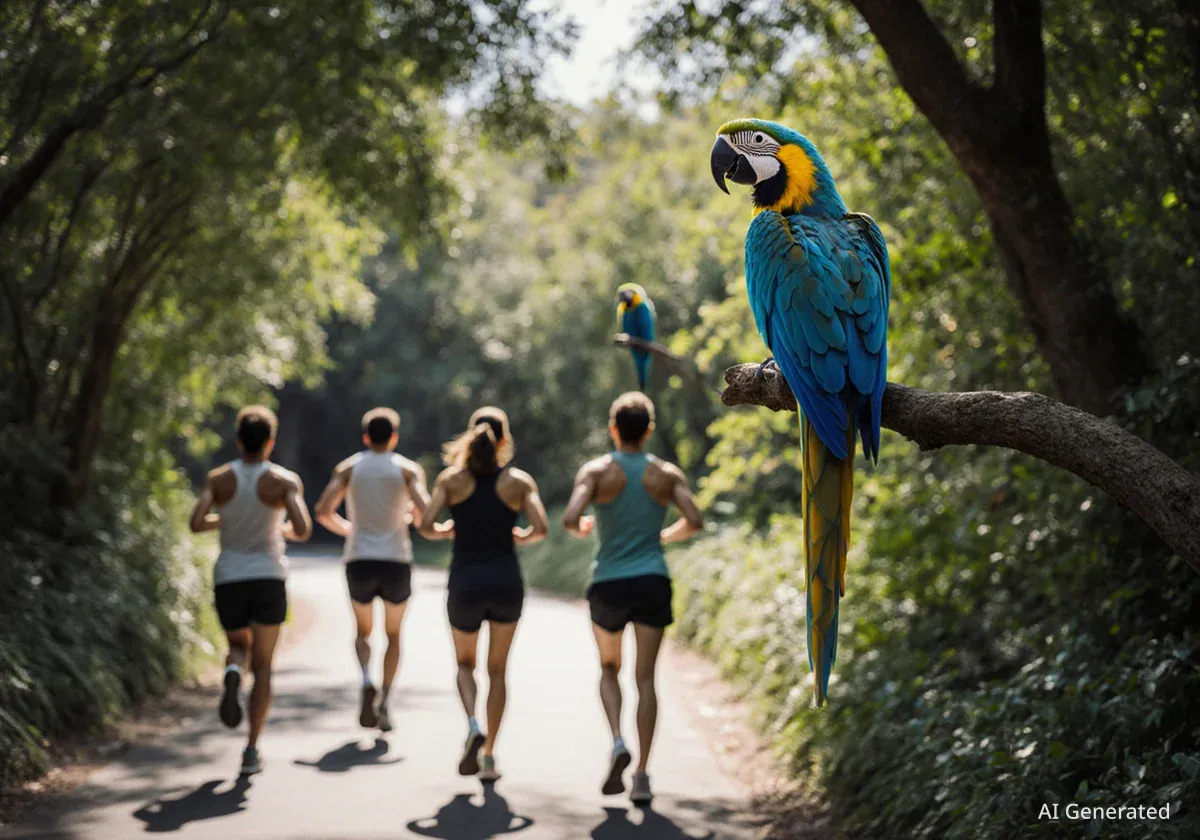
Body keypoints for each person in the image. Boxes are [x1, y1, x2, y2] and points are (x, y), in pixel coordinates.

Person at [563, 392, 703, 805]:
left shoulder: (597, 472)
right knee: (646, 679)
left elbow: (570, 518)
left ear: (613, 428)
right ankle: (642, 775)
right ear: (649, 430)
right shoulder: (665, 475)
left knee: (609, 668)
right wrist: (664, 536)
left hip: (608, 583)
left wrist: (584, 527)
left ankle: (618, 741)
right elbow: (694, 520)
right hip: (651, 581)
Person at [419, 407, 549, 783]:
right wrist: (521, 536)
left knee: (465, 665)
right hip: (506, 583)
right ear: (504, 440)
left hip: (465, 584)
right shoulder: (518, 482)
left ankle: (473, 723)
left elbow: (426, 525)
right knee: (498, 671)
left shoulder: (451, 480)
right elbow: (539, 526)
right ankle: (490, 755)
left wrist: (449, 530)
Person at [189, 405, 311, 776]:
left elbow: (196, 523)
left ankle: (230, 672)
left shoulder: (220, 479)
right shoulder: (283, 481)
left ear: (239, 440)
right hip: (268, 575)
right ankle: (252, 749)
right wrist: (281, 528)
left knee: (238, 647)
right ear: (269, 442)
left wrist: (223, 519)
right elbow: (303, 528)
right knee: (265, 665)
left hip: (229, 575)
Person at [314, 407, 430, 733]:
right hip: (396, 560)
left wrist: (350, 529)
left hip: (359, 559)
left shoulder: (349, 468)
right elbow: (425, 514)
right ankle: (386, 702)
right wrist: (410, 519)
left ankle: (366, 678)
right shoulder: (408, 471)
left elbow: (323, 510)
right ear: (394, 436)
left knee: (363, 632)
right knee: (393, 635)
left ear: (366, 437)